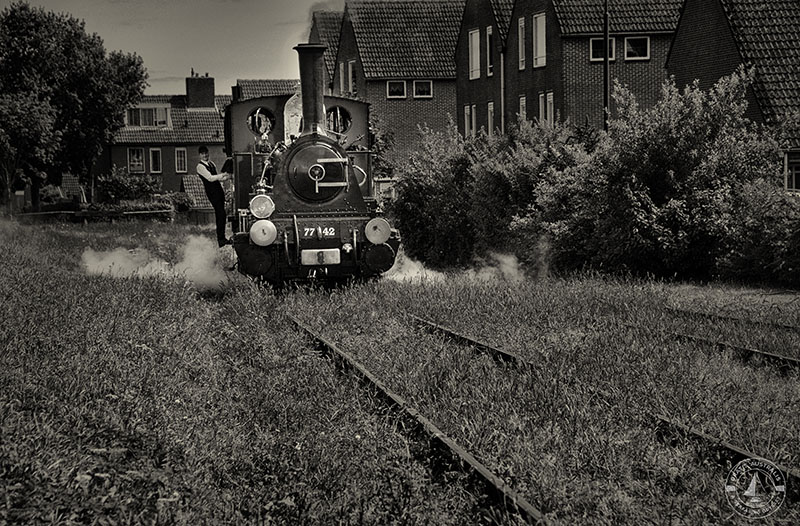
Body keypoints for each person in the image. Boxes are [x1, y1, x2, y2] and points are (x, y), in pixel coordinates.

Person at [196, 145, 233, 247]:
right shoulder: (200, 167)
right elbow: (210, 178)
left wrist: (227, 177)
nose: (205, 155)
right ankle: (221, 239)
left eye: (206, 153)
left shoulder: (211, 164)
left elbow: (218, 178)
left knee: (222, 214)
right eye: (203, 154)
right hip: (212, 192)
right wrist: (223, 174)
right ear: (200, 155)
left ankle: (222, 238)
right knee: (220, 214)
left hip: (218, 190)